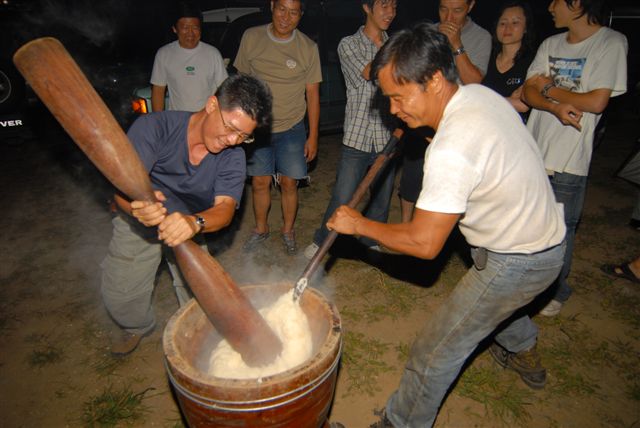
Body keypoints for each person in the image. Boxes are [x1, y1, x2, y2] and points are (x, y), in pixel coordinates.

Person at [327, 23, 566, 427]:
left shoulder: (452, 148)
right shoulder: (477, 95)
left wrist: (359, 224)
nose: (393, 110)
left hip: (517, 259)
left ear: (434, 80)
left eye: (398, 97)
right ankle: (524, 349)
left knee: (435, 351)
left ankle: (400, 422)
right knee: (495, 306)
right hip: (544, 243)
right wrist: (423, 126)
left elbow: (424, 243)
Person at [102, 74, 272, 357]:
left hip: (188, 223)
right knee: (120, 294)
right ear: (211, 105)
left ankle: (200, 343)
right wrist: (135, 208)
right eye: (231, 128)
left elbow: (224, 209)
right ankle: (136, 326)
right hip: (140, 215)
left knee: (201, 299)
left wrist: (195, 222)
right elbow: (119, 187)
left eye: (244, 136)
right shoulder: (155, 127)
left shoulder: (233, 155)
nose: (233, 140)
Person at [523, 0, 628, 317]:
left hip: (569, 157)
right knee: (529, 221)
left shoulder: (610, 42)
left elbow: (596, 101)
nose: (550, 6)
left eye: (557, 0)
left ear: (578, 3)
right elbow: (528, 92)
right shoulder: (551, 43)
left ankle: (557, 291)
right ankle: (528, 284)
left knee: (560, 230)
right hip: (534, 149)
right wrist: (553, 104)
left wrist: (549, 88)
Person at [303, 0, 398, 259]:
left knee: (381, 197)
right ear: (367, 7)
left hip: (386, 135)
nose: (390, 13)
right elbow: (368, 72)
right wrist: (393, 49)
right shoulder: (349, 44)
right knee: (343, 197)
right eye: (384, 6)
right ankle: (321, 241)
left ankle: (371, 241)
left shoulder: (394, 43)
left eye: (394, 7)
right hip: (357, 136)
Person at [235, 0, 322, 255]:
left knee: (289, 183)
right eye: (282, 9)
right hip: (259, 129)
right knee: (260, 182)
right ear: (272, 6)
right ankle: (261, 229)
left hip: (292, 127)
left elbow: (313, 94)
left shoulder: (308, 47)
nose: (286, 17)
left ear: (300, 15)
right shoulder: (252, 37)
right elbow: (241, 82)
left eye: (293, 12)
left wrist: (313, 136)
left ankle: (288, 230)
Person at [398, 0, 491, 222]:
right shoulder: (428, 32)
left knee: (448, 179)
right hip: (424, 117)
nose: (449, 17)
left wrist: (456, 44)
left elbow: (474, 82)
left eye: (457, 10)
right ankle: (406, 223)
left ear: (470, 6)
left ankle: (441, 226)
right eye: (443, 9)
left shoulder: (482, 37)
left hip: (459, 122)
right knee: (413, 175)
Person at [150, 1, 228, 112]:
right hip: (177, 118)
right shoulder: (164, 54)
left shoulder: (212, 54)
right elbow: (158, 90)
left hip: (206, 117)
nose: (190, 33)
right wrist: (158, 119)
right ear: (175, 29)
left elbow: (224, 89)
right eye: (185, 28)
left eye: (195, 28)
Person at [482, 0, 535, 118]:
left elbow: (523, 105)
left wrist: (484, 99)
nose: (507, 28)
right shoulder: (486, 57)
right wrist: (508, 100)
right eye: (502, 23)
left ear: (526, 28)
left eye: (515, 22)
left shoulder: (532, 62)